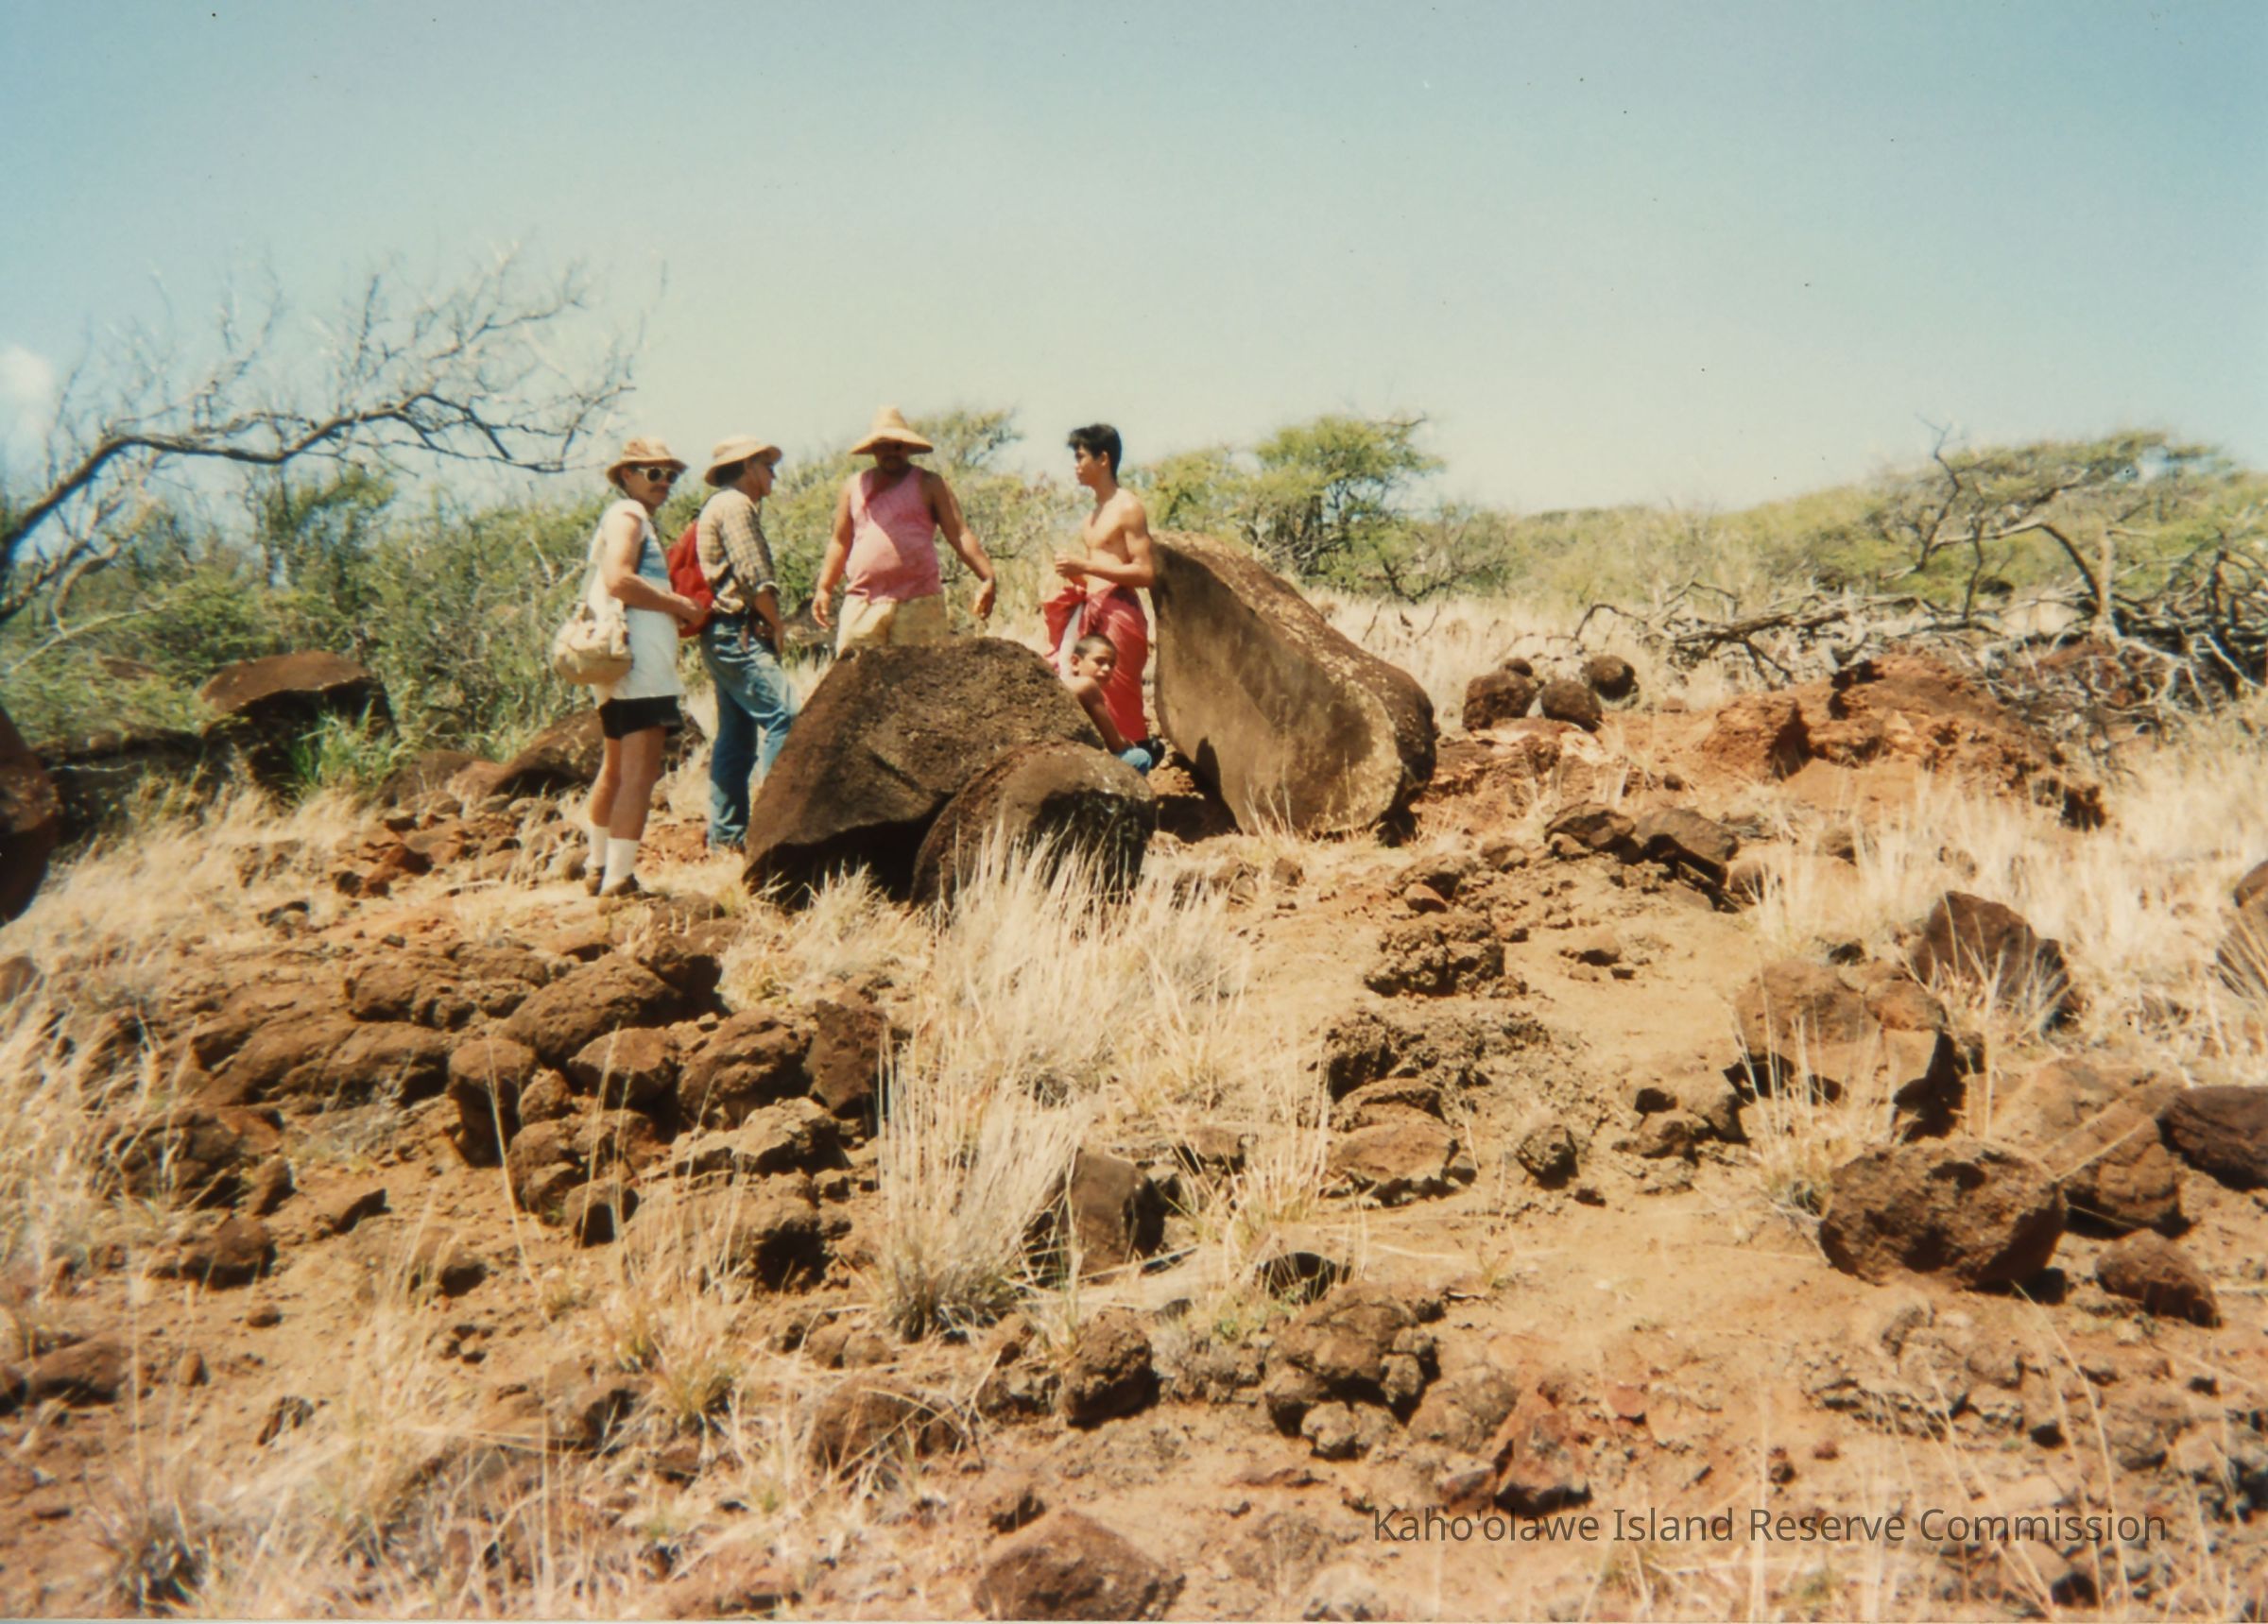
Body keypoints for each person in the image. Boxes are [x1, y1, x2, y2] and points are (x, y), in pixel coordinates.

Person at [581, 436, 702, 897]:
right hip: (641, 666)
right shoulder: (629, 515)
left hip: (620, 665)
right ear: (627, 476)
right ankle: (619, 878)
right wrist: (678, 605)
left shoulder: (628, 517)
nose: (664, 481)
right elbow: (619, 579)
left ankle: (597, 866)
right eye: (654, 473)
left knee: (614, 769)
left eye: (671, 474)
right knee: (638, 773)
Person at [812, 404, 998, 654]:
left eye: (897, 446)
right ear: (873, 449)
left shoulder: (929, 484)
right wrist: (824, 588)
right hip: (863, 602)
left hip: (919, 603)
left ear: (907, 447)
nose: (891, 452)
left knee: (924, 673)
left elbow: (959, 533)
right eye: (883, 446)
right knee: (853, 672)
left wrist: (987, 577)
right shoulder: (854, 486)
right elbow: (840, 542)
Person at [695, 434, 794, 850]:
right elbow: (754, 578)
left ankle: (727, 837)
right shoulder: (736, 506)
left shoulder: (719, 505)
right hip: (737, 630)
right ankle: (776, 831)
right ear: (748, 466)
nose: (773, 474)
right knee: (786, 717)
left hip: (721, 633)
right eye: (767, 466)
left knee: (736, 737)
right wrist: (777, 625)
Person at [1043, 423, 1154, 754]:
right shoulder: (1090, 517)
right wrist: (1075, 576)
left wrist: (1085, 566)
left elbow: (1145, 572)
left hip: (1120, 612)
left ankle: (1139, 763)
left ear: (1103, 459)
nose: (1076, 466)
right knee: (1091, 694)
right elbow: (1097, 575)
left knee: (1121, 699)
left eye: (1080, 457)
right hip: (1092, 609)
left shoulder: (1128, 507)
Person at [1063, 633, 1153, 773]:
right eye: (1099, 661)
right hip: (1072, 765)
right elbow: (1115, 745)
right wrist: (1130, 745)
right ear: (1075, 662)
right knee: (1141, 757)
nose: (1106, 669)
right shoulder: (1087, 685)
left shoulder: (1062, 683)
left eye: (1111, 665)